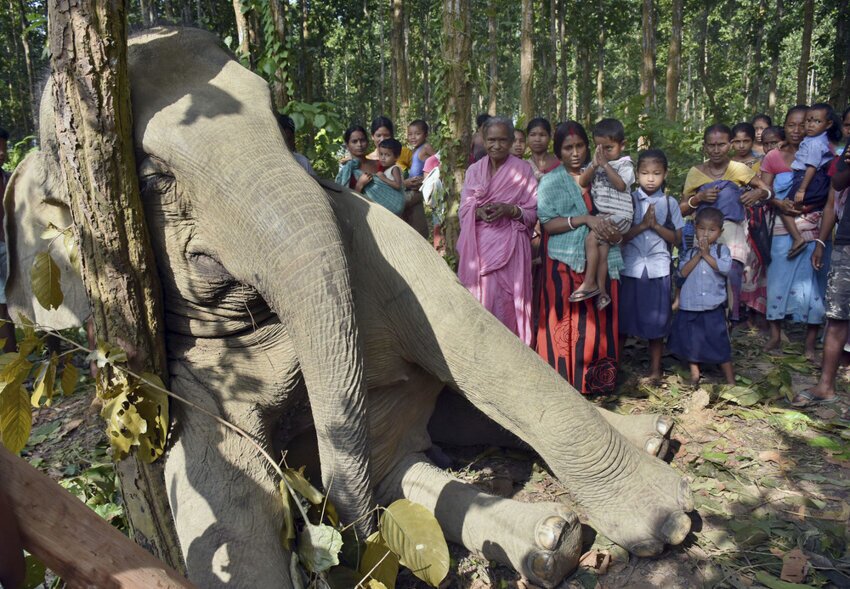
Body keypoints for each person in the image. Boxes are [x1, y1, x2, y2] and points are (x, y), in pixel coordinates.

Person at [536, 121, 623, 394]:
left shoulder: (603, 176)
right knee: (564, 319)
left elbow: (621, 209)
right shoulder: (551, 181)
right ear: (558, 152)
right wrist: (584, 219)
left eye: (580, 146)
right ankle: (561, 381)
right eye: (567, 148)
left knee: (597, 319)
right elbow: (549, 223)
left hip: (602, 260)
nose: (575, 153)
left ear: (589, 147)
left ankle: (595, 381)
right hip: (562, 262)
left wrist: (613, 228)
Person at [457, 116, 537, 344]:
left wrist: (510, 210)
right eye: (491, 140)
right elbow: (465, 207)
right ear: (483, 139)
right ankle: (480, 351)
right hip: (479, 249)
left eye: (503, 140)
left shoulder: (523, 170)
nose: (496, 145)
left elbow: (532, 213)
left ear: (512, 141)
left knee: (507, 304)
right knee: (481, 301)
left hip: (511, 249)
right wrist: (477, 211)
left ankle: (511, 353)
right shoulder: (474, 170)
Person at [680, 124, 771, 323]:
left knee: (732, 272)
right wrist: (699, 198)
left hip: (733, 232)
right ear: (704, 147)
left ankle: (731, 317)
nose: (716, 150)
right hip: (703, 232)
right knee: (704, 272)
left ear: (729, 145)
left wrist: (758, 192)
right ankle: (704, 317)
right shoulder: (695, 172)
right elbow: (682, 208)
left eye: (721, 144)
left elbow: (766, 190)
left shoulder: (738, 169)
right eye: (711, 145)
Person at [762, 106, 830, 359]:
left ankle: (810, 343)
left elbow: (829, 194)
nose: (797, 130)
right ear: (785, 126)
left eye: (803, 125)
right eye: (791, 125)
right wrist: (778, 203)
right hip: (780, 229)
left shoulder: (823, 154)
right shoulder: (773, 157)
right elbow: (765, 192)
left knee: (813, 283)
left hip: (814, 225)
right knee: (777, 279)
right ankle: (775, 335)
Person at [792, 145, 850, 406]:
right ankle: (826, 386)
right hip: (847, 242)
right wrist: (822, 242)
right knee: (837, 315)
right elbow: (837, 183)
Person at [619, 149, 684, 382]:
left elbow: (677, 238)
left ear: (665, 174)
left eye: (656, 173)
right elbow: (620, 237)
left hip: (658, 268)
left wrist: (655, 226)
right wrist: (642, 225)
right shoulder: (628, 199)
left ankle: (655, 370)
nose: (650, 178)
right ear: (636, 174)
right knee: (623, 319)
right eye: (645, 173)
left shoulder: (670, 202)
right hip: (630, 267)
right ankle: (615, 367)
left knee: (657, 322)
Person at [570, 118, 634, 310]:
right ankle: (602, 292)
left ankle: (589, 282)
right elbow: (582, 181)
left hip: (620, 216)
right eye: (599, 148)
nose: (603, 153)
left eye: (608, 148)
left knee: (590, 240)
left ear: (622, 145)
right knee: (602, 251)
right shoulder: (596, 163)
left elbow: (622, 185)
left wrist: (605, 165)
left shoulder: (625, 164)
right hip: (606, 216)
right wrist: (594, 164)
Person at [668, 207, 735, 385]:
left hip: (713, 307)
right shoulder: (689, 252)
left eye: (712, 230)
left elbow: (725, 269)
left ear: (720, 231)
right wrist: (699, 255)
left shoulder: (722, 251)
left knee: (719, 342)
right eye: (702, 229)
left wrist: (707, 255)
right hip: (690, 306)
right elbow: (681, 273)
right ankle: (695, 374)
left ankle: (730, 380)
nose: (706, 234)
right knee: (691, 342)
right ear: (695, 228)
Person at [336, 125, 405, 215]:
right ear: (347, 145)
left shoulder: (381, 164)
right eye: (354, 141)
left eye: (362, 140)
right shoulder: (347, 172)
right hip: (366, 217)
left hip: (392, 217)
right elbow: (346, 201)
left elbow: (396, 187)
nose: (359, 145)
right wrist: (359, 185)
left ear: (368, 142)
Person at [0, 128, 16, 354]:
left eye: (3, 146)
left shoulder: (8, 178)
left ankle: (56, 360)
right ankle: (13, 363)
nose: (1, 152)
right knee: (2, 308)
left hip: (13, 247)